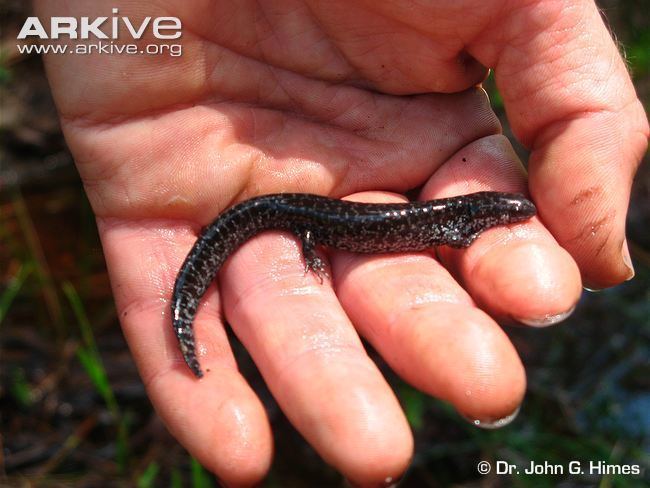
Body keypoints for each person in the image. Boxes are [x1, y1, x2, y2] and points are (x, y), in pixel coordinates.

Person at [36, 0, 648, 485]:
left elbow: (456, 224)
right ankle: (195, 321)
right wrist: (311, 245)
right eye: (507, 212)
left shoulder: (464, 215)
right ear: (493, 212)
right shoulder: (460, 218)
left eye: (507, 213)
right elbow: (453, 227)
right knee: (262, 237)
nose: (510, 214)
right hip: (299, 215)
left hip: (300, 212)